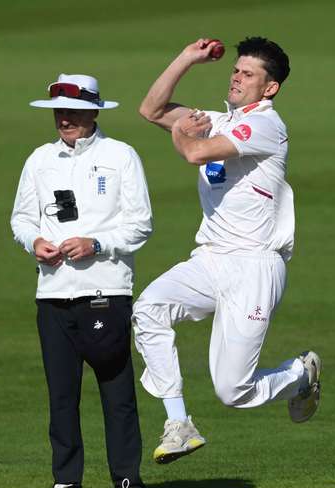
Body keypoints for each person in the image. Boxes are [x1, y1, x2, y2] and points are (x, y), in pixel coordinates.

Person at [134, 37, 322, 464]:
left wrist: (185, 133)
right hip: (211, 257)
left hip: (255, 265)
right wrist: (187, 58)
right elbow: (151, 110)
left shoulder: (266, 126)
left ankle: (299, 375)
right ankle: (179, 424)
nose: (236, 78)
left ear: (269, 88)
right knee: (148, 308)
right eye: (235, 70)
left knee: (233, 390)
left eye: (248, 74)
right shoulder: (219, 120)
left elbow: (196, 152)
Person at [10, 73, 153, 488]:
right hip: (52, 293)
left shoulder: (120, 156)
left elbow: (141, 224)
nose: (65, 119)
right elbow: (21, 218)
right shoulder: (39, 159)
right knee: (61, 396)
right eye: (59, 112)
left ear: (94, 113)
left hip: (105, 291)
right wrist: (34, 241)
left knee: (117, 393)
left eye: (73, 112)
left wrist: (97, 243)